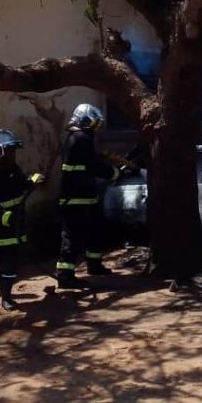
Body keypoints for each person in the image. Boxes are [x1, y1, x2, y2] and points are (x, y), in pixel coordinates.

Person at [0, 129, 45, 310]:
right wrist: (5, 216)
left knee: (10, 265)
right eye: (10, 151)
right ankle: (3, 290)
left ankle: (6, 297)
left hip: (12, 231)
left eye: (13, 151)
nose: (13, 155)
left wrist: (33, 180)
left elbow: (21, 184)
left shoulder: (13, 170)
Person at [55, 103, 120, 289]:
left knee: (94, 231)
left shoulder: (76, 138)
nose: (96, 127)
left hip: (84, 195)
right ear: (85, 121)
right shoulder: (81, 138)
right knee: (72, 236)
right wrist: (115, 173)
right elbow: (93, 167)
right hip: (76, 197)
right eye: (94, 122)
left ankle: (94, 264)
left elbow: (88, 162)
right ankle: (65, 276)